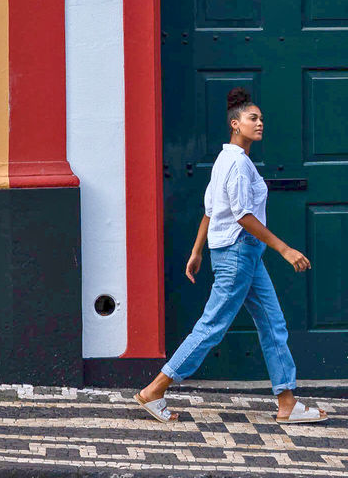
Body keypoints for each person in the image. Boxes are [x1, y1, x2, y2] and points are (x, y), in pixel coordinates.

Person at [135, 87, 325, 425]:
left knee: (272, 323)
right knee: (212, 326)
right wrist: (285, 249)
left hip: (243, 255)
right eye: (254, 118)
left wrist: (196, 251)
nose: (260, 123)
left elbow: (210, 210)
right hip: (238, 254)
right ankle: (154, 390)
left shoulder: (229, 161)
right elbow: (241, 214)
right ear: (235, 124)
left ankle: (287, 402)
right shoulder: (236, 163)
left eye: (262, 118)